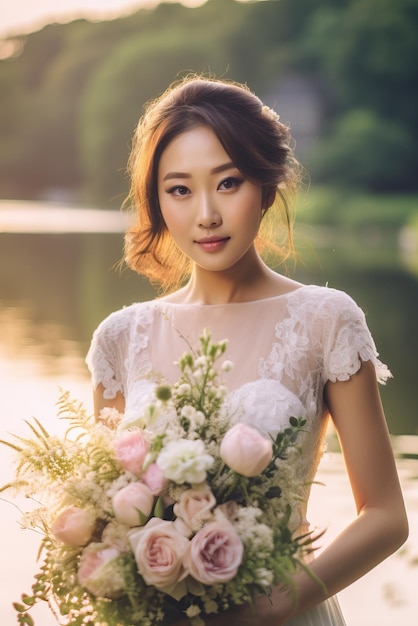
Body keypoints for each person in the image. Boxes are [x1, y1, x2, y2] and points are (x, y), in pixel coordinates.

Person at [86, 75, 408, 625]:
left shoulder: (325, 320)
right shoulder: (121, 337)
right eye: (180, 189)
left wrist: (272, 607)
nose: (206, 214)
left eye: (228, 183)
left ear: (266, 185)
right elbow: (109, 518)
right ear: (157, 202)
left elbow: (385, 516)